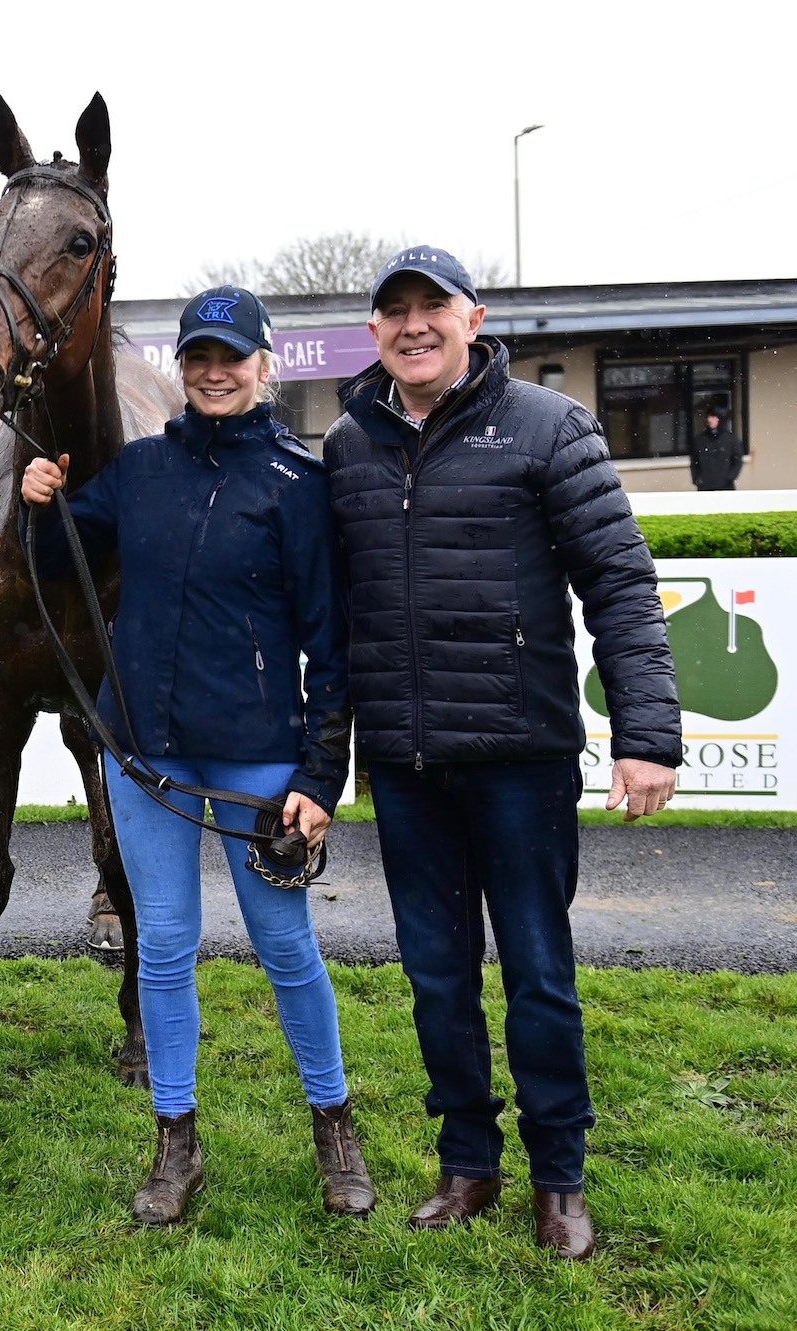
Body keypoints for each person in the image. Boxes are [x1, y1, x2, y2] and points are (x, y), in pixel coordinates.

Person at [325, 246, 681, 1260]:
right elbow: (331, 611)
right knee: (437, 978)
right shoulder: (350, 444)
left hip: (523, 755)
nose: (413, 326)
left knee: (536, 972)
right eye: (393, 312)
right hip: (405, 763)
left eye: (431, 308)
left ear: (471, 319)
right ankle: (467, 1162)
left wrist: (648, 735)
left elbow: (618, 580)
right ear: (376, 333)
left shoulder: (548, 426)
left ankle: (559, 1177)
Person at [19, 285, 367, 1227]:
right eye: (199, 358)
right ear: (182, 365)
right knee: (163, 947)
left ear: (263, 365)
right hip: (144, 758)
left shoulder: (302, 484)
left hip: (258, 761)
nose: (214, 373)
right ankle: (176, 1138)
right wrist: (42, 503)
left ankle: (334, 1123)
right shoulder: (139, 473)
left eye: (232, 357)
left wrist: (317, 778)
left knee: (286, 947)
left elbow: (330, 650)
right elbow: (58, 561)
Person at [690, 406, 743, 491]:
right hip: (705, 487)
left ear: (720, 419)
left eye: (713, 417)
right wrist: (697, 478)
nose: (709, 420)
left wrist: (729, 478)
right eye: (708, 417)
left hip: (725, 487)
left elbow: (737, 461)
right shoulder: (700, 440)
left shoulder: (731, 440)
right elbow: (694, 462)